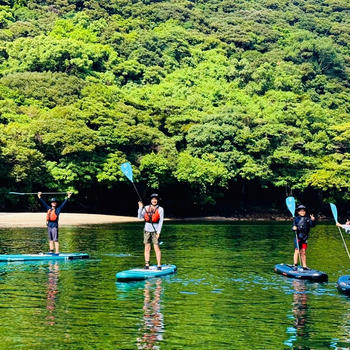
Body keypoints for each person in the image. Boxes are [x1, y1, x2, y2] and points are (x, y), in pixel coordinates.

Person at [138, 193, 164, 270]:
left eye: (155, 199)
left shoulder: (160, 209)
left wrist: (158, 232)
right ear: (151, 200)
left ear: (157, 200)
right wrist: (140, 208)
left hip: (155, 231)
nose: (154, 200)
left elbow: (161, 221)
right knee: (147, 247)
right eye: (153, 199)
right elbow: (139, 217)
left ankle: (159, 265)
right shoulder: (146, 208)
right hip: (147, 230)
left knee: (156, 247)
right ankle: (147, 265)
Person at [292, 205, 316, 270]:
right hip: (298, 238)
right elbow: (293, 227)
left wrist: (313, 220)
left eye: (303, 211)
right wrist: (294, 228)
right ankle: (295, 265)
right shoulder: (296, 219)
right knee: (297, 250)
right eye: (301, 211)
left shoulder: (308, 218)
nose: (302, 212)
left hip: (305, 238)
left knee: (303, 252)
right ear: (298, 212)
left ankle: (304, 266)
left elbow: (312, 225)